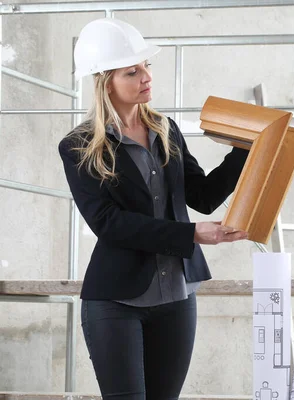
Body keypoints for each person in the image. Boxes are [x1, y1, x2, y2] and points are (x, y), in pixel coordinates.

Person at [58, 18, 249, 400]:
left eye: (147, 66)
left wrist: (246, 148)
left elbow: (203, 195)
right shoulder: (79, 146)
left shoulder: (166, 129)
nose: (146, 76)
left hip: (178, 298)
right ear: (103, 81)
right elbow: (109, 224)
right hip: (116, 302)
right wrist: (192, 234)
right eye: (132, 71)